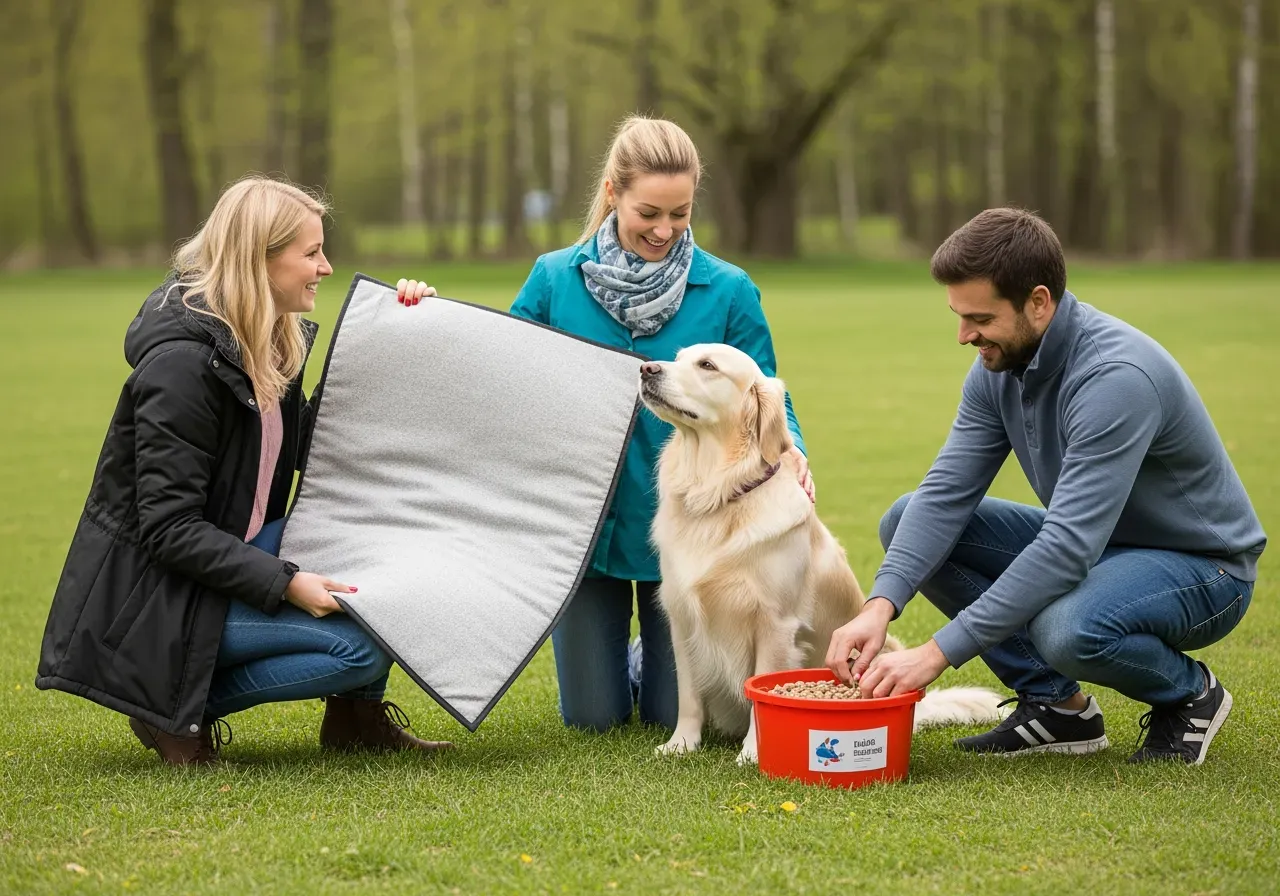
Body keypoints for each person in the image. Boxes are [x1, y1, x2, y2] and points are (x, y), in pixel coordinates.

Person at [825, 207, 1266, 765]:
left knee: (1069, 628)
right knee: (908, 517)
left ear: (1038, 302)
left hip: (1204, 566)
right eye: (958, 316)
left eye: (979, 318)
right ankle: (1057, 707)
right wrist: (879, 604)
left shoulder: (1115, 379)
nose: (964, 336)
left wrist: (937, 653)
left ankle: (1191, 695)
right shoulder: (999, 363)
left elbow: (1066, 549)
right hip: (1102, 547)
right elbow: (946, 493)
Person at [35, 175, 450, 765]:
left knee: (380, 560)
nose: (326, 267)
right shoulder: (180, 368)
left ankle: (355, 722)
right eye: (311, 253)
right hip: (165, 598)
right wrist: (287, 582)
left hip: (233, 557)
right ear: (259, 260)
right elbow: (169, 528)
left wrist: (407, 332)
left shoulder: (267, 343)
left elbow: (331, 452)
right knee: (360, 648)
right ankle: (170, 709)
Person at [510, 115, 812, 732]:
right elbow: (498, 363)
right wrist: (417, 309)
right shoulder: (553, 278)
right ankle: (622, 656)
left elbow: (767, 389)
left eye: (680, 213)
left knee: (667, 716)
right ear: (613, 193)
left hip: (685, 527)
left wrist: (794, 452)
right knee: (593, 720)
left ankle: (657, 651)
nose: (665, 230)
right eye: (650, 212)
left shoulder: (728, 290)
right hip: (583, 524)